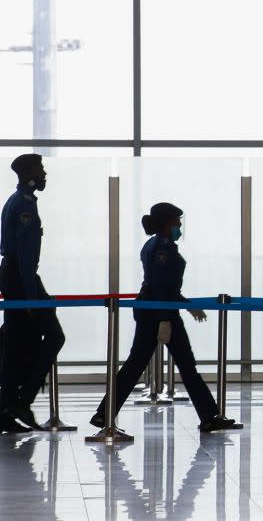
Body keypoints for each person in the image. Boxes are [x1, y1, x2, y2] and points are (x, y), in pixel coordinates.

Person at [90, 203, 236, 432]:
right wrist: (164, 319)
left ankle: (104, 413)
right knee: (181, 366)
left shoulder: (156, 244)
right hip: (157, 313)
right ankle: (209, 416)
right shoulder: (162, 248)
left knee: (139, 365)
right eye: (177, 221)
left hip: (157, 309)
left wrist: (187, 305)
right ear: (167, 223)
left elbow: (166, 287)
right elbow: (159, 287)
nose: (180, 225)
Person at [0, 153, 65, 433]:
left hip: (17, 275)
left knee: (16, 345)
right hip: (20, 276)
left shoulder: (18, 201)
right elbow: (25, 256)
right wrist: (30, 296)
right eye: (40, 168)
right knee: (53, 336)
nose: (44, 173)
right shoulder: (24, 205)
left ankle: (7, 410)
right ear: (28, 172)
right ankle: (21, 401)